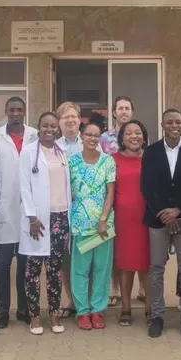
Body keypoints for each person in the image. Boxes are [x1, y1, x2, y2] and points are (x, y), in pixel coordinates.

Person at [141, 109, 181, 339]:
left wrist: (178, 209)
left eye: (178, 122)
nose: (174, 125)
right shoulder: (151, 152)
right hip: (157, 219)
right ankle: (157, 315)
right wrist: (161, 211)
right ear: (162, 124)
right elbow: (146, 186)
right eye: (170, 122)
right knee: (157, 268)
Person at [0, 96, 37, 328]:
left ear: (25, 111)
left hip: (29, 209)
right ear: (6, 112)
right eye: (12, 110)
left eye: (19, 109)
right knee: (4, 265)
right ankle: (3, 311)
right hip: (4, 208)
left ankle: (24, 309)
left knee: (25, 265)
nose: (15, 113)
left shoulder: (34, 135)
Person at [18, 112, 69, 335]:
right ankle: (35, 316)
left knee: (55, 270)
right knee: (33, 270)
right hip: (37, 219)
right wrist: (31, 217)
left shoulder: (62, 151)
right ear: (39, 127)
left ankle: (55, 315)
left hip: (60, 217)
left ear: (58, 128)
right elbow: (24, 185)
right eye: (45, 125)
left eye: (53, 126)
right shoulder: (29, 152)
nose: (49, 129)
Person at [69, 122, 117, 330]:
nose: (93, 138)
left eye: (97, 135)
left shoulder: (108, 162)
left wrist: (103, 219)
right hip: (81, 224)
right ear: (81, 136)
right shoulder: (72, 162)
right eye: (89, 134)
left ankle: (97, 310)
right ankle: (82, 312)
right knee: (80, 270)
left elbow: (110, 193)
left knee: (101, 269)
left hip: (103, 226)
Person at [113, 120, 151, 326]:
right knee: (125, 265)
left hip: (147, 218)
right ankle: (126, 308)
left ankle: (150, 308)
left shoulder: (152, 158)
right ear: (122, 137)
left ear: (144, 136)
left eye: (138, 132)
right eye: (129, 133)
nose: (134, 136)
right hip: (123, 220)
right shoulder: (113, 159)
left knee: (147, 264)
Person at [100, 96, 136, 308]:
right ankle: (114, 288)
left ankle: (141, 288)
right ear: (114, 112)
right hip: (110, 192)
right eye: (120, 108)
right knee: (115, 242)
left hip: (131, 193)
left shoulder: (138, 134)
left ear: (132, 112)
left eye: (127, 108)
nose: (123, 112)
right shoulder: (105, 138)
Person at [55, 101, 83, 317]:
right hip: (62, 209)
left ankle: (86, 299)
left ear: (80, 119)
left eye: (73, 116)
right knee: (65, 257)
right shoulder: (53, 147)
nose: (70, 120)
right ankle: (70, 299)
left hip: (86, 211)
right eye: (65, 118)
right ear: (59, 122)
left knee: (86, 255)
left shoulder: (92, 144)